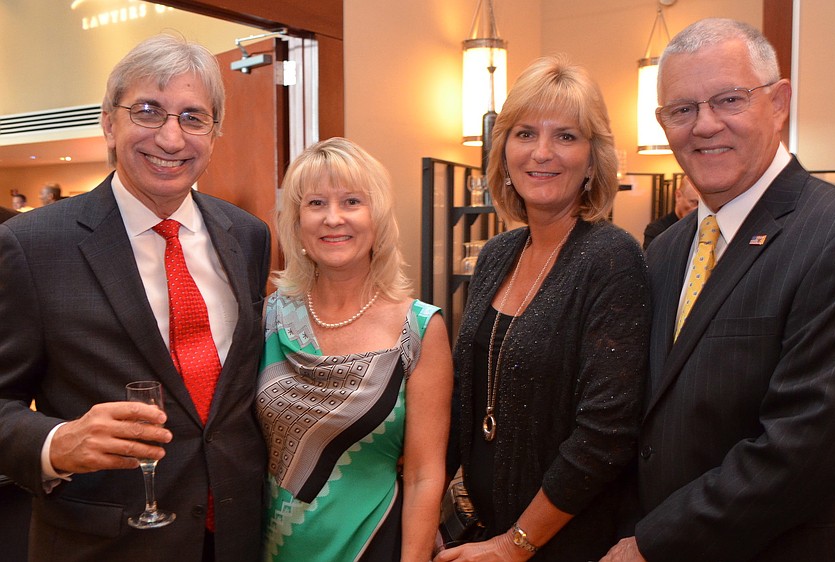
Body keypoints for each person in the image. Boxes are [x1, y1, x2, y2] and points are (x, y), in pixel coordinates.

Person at [0, 34, 271, 562]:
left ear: (214, 134)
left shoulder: (249, 235)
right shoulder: (32, 246)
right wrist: (56, 444)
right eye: (148, 111)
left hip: (237, 535)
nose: (172, 138)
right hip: (104, 543)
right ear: (109, 121)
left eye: (193, 117)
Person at [602, 18, 835, 562]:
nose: (705, 126)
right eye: (682, 110)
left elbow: (804, 446)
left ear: (779, 102)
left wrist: (650, 544)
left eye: (729, 100)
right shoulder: (665, 252)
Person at [436, 54, 650, 562]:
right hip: (481, 528)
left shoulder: (611, 258)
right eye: (526, 133)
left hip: (561, 543)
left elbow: (607, 434)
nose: (543, 153)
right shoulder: (496, 254)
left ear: (593, 159)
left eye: (567, 136)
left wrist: (515, 545)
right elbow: (466, 397)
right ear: (504, 149)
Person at [256, 137, 453, 561]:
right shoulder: (268, 316)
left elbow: (424, 475)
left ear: (377, 218)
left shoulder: (419, 328)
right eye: (315, 203)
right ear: (296, 223)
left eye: (351, 201)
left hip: (372, 543)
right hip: (271, 546)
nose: (333, 218)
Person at [642, 175, 699, 249]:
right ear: (678, 196)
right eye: (694, 202)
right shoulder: (657, 230)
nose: (698, 209)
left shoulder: (707, 229)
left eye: (703, 205)